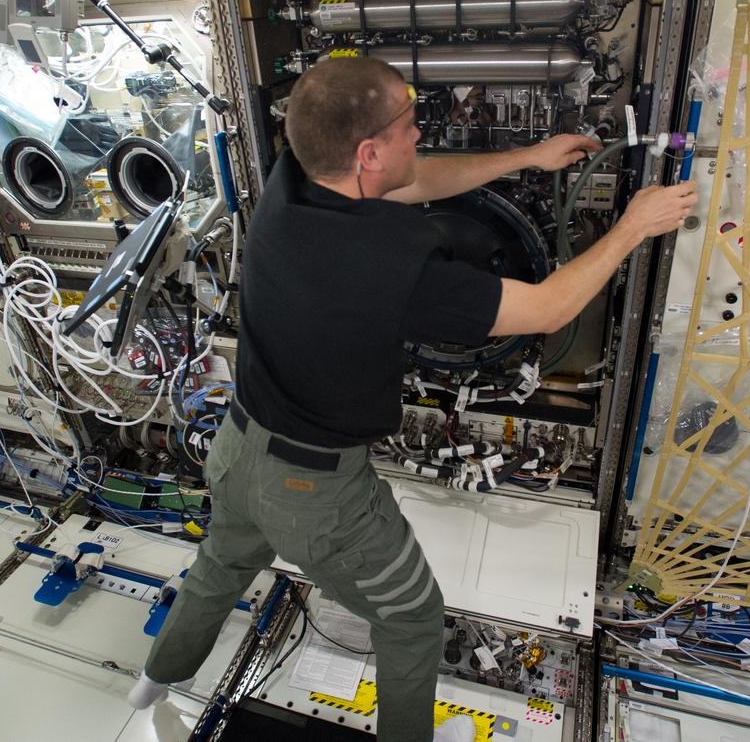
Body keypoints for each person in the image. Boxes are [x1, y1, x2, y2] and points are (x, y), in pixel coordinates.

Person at [129, 57, 697, 740]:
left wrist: (530, 156)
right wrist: (635, 224)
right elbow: (549, 307)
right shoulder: (391, 268)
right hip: (316, 493)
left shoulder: (295, 179)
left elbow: (418, 178)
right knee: (412, 615)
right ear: (368, 152)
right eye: (410, 125)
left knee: (222, 563)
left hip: (237, 450)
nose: (420, 136)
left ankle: (154, 678)